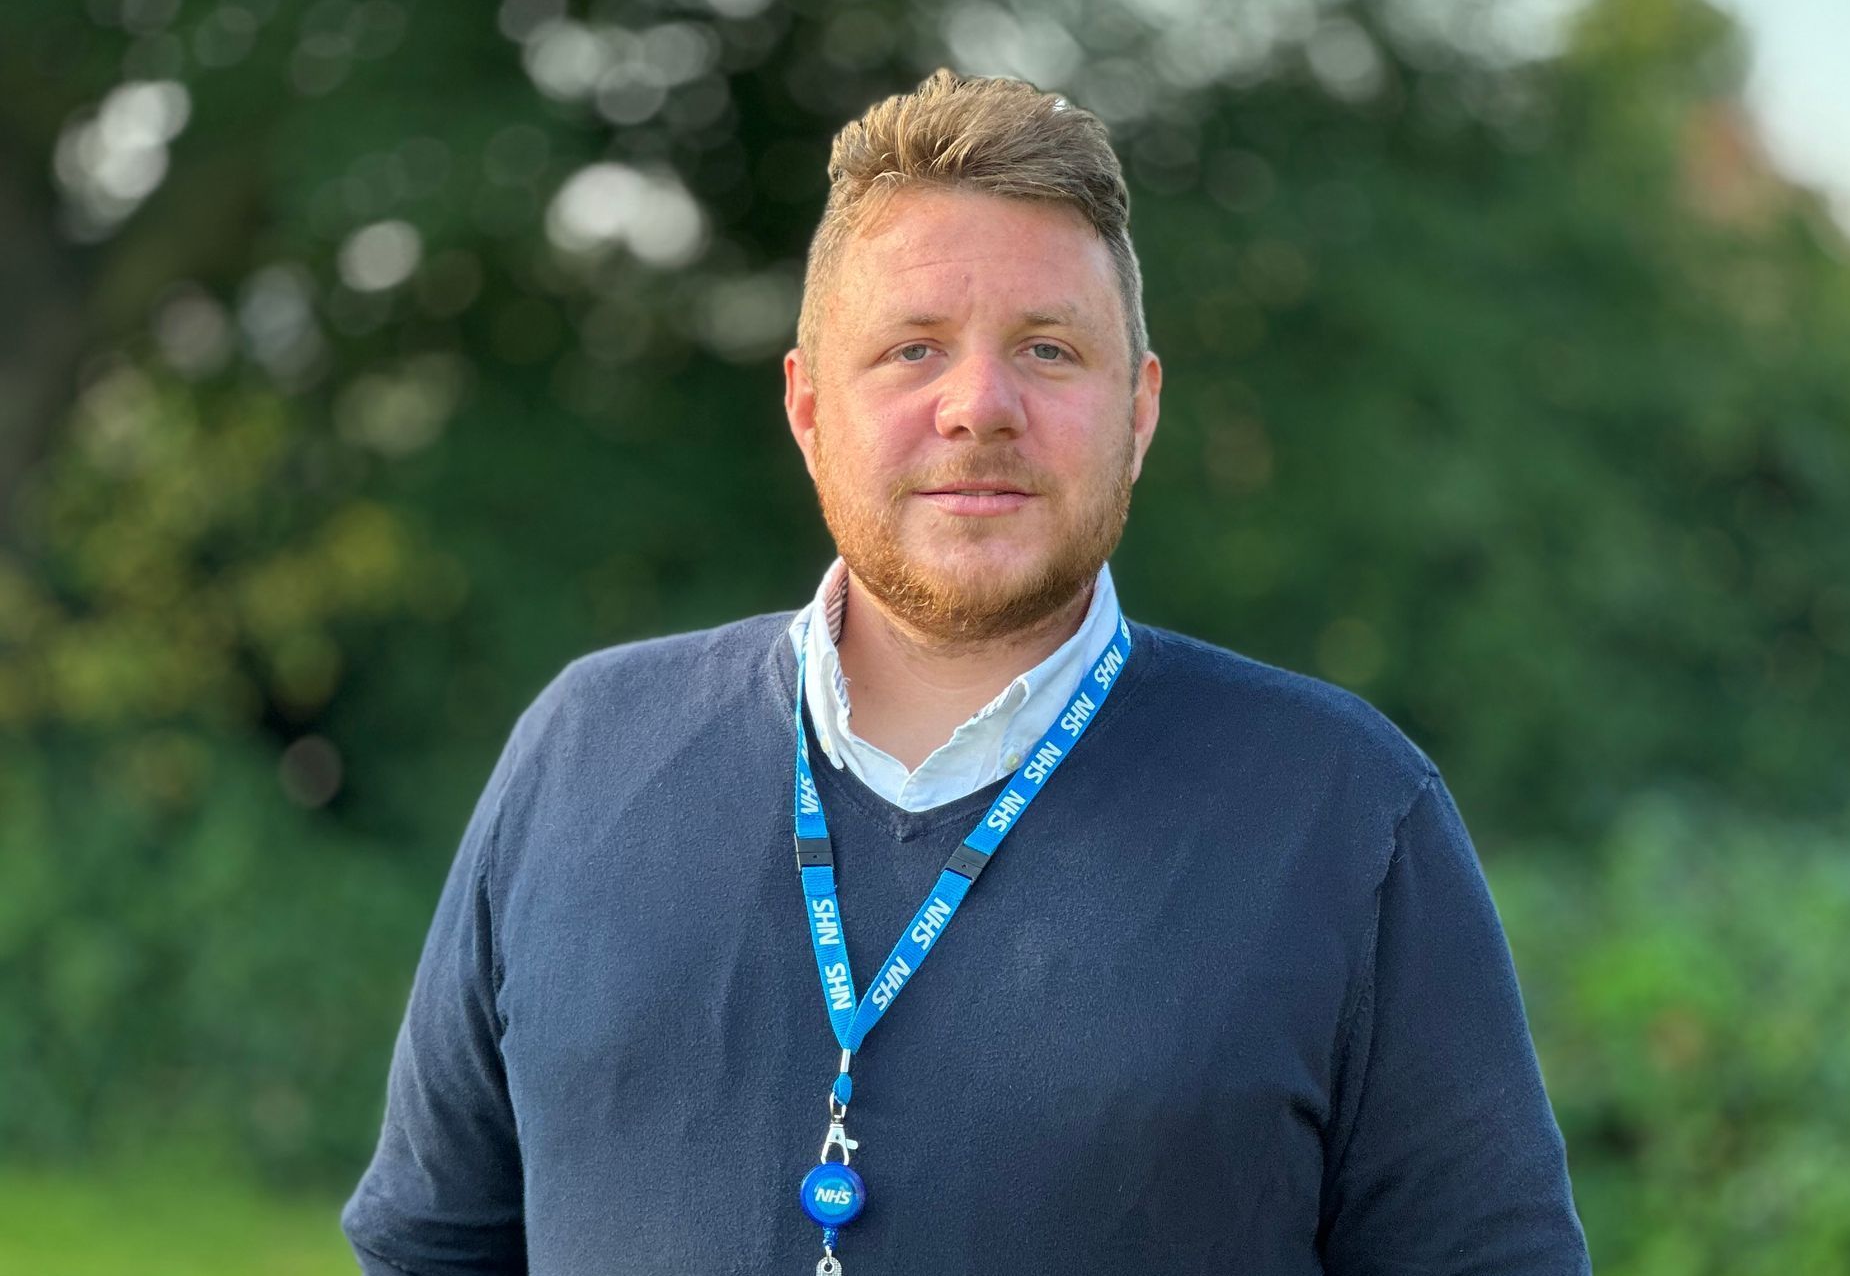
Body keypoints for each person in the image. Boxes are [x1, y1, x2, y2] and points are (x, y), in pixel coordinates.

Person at [341, 69, 1591, 1275]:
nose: (978, 405)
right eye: (912, 349)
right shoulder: (583, 753)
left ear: (1140, 411)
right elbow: (429, 1251)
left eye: (1047, 349)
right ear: (809, 409)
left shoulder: (1346, 812)